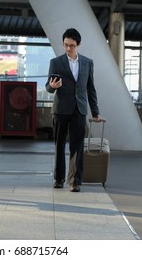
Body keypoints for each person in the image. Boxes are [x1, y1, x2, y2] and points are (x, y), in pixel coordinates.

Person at [45, 28, 101, 192]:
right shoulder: (56, 62)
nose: (68, 48)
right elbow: (48, 86)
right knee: (59, 145)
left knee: (77, 147)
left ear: (78, 45)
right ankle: (59, 178)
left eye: (72, 45)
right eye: (66, 45)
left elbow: (91, 89)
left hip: (79, 109)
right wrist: (52, 86)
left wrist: (95, 111)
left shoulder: (88, 63)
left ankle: (75, 181)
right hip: (61, 109)